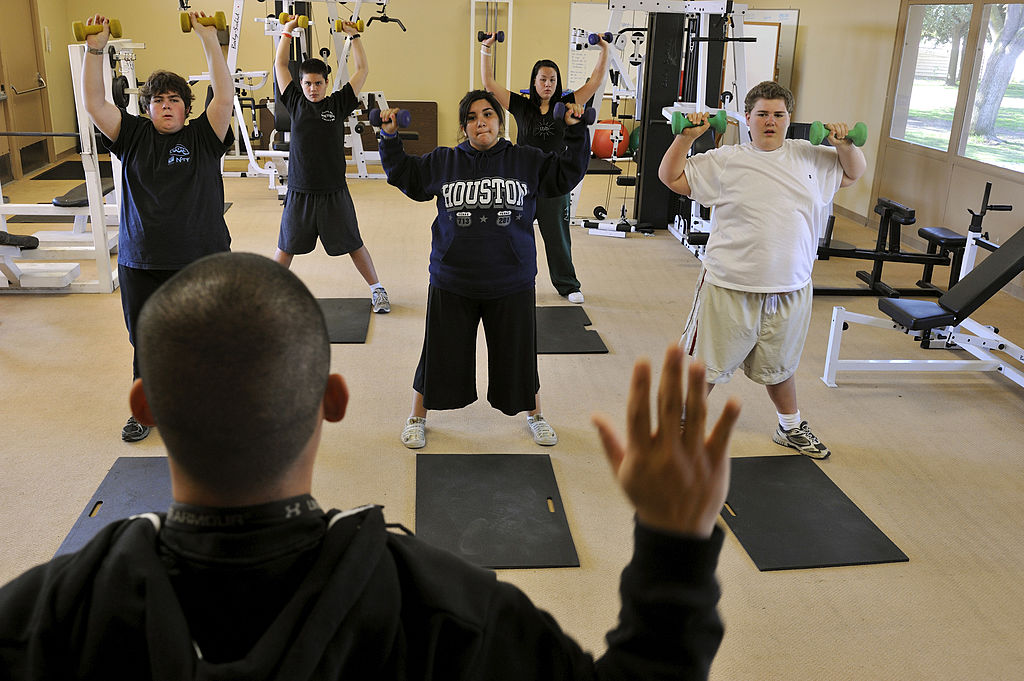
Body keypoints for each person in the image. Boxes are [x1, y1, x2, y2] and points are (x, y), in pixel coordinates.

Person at [0, 251, 741, 679]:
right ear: (334, 398)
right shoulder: (448, 615)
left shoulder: (39, 619)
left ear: (145, 403)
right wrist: (674, 551)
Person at [658, 80, 867, 459]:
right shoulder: (727, 160)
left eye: (778, 114)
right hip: (729, 286)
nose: (770, 121)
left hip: (790, 288)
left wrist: (844, 144)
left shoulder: (811, 157)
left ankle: (790, 427)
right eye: (762, 114)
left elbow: (852, 175)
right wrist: (685, 139)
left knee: (780, 366)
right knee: (707, 368)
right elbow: (671, 178)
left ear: (789, 119)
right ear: (747, 119)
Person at [378, 90, 588, 450]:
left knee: (519, 356)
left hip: (511, 278)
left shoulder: (526, 160)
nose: (481, 122)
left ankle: (535, 415)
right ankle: (417, 417)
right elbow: (406, 175)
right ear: (464, 128)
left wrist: (575, 130)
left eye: (488, 115)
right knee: (438, 354)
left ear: (499, 122)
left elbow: (565, 173)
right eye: (473, 118)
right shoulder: (444, 161)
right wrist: (389, 137)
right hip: (452, 277)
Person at [82, 12, 235, 443]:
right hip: (141, 261)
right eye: (158, 100)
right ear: (147, 108)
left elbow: (223, 95)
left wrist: (209, 38)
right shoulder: (132, 136)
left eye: (174, 100)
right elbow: (94, 103)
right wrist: (96, 48)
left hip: (201, 260)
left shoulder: (204, 136)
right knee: (145, 341)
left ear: (187, 107)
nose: (166, 106)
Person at [480, 32, 611, 305]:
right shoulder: (520, 105)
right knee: (512, 234)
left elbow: (597, 80)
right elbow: (489, 84)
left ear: (557, 82)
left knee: (558, 238)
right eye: (543, 79)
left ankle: (567, 285)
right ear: (534, 81)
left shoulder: (568, 103)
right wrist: (486, 47)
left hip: (554, 181)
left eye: (552, 80)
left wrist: (603, 48)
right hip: (522, 180)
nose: (547, 84)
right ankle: (508, 281)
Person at [273, 16, 390, 314]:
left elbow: (363, 69)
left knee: (353, 243)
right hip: (300, 191)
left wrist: (355, 37)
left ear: (326, 83)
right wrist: (286, 32)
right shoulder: (296, 102)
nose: (313, 89)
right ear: (301, 84)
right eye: (308, 84)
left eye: (318, 83)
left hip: (334, 191)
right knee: (285, 248)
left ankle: (377, 290)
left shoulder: (337, 104)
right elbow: (280, 66)